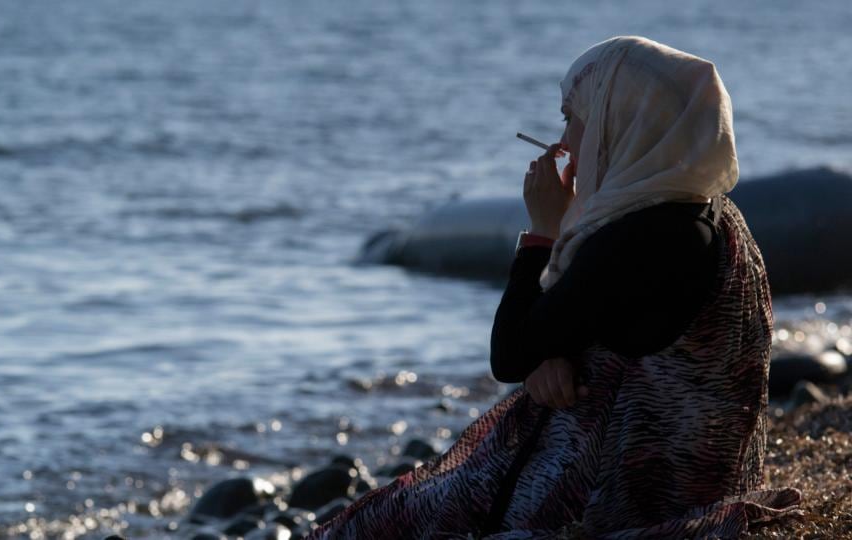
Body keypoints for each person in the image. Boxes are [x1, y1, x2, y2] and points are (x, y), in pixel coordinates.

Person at [306, 36, 804, 539]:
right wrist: (549, 354)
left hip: (616, 497)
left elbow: (508, 355)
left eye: (572, 118)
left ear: (618, 123)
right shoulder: (711, 215)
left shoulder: (641, 238)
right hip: (689, 477)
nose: (563, 141)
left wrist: (542, 231)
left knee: (365, 528)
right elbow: (577, 327)